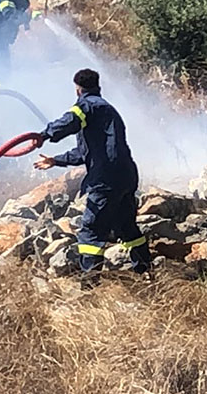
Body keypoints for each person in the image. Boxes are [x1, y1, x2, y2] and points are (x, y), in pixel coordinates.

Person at [34, 69, 152, 285]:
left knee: (91, 231)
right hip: (126, 176)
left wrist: (44, 135)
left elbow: (69, 121)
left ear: (77, 89)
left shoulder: (87, 107)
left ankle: (90, 285)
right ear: (98, 86)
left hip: (105, 179)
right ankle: (145, 272)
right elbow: (84, 153)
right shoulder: (108, 111)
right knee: (126, 226)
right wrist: (55, 160)